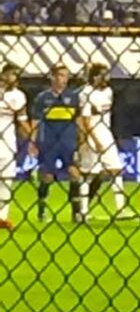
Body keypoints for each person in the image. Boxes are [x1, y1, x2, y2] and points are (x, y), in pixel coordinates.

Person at [77, 64, 134, 221]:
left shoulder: (109, 92)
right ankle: (83, 211)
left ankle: (121, 209)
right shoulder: (85, 93)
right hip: (93, 134)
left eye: (107, 75)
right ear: (94, 77)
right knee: (88, 174)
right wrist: (92, 140)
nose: (106, 78)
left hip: (106, 132)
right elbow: (86, 120)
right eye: (102, 75)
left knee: (116, 169)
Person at [31, 65, 84, 223]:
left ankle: (76, 213)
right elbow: (35, 120)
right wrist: (33, 141)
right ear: (52, 77)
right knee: (47, 176)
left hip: (68, 141)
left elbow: (78, 119)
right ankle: (42, 208)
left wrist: (82, 139)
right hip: (49, 141)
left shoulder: (73, 97)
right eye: (60, 75)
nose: (64, 79)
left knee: (75, 173)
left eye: (66, 76)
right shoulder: (42, 98)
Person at [0, 64, 29, 229]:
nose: (14, 78)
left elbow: (22, 119)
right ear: (3, 74)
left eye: (16, 75)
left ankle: (2, 217)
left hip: (8, 142)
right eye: (11, 74)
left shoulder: (19, 96)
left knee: (7, 178)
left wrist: (32, 138)